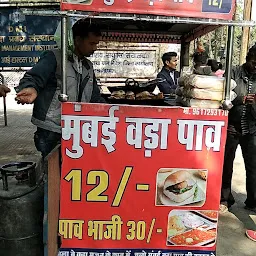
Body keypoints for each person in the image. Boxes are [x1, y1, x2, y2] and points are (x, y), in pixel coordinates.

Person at [15, 19, 105, 158]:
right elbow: (33, 77)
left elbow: (94, 97)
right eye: (92, 43)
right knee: (52, 171)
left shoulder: (88, 66)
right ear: (78, 40)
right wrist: (31, 88)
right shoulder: (55, 57)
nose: (95, 48)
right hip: (52, 128)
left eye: (97, 44)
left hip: (77, 127)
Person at [220, 43, 256, 213]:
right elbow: (223, 96)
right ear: (248, 58)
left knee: (253, 166)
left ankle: (252, 200)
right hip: (232, 127)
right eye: (254, 63)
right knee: (227, 165)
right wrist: (240, 99)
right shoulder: (234, 72)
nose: (255, 67)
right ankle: (225, 198)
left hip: (252, 128)